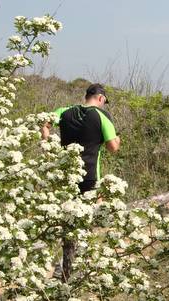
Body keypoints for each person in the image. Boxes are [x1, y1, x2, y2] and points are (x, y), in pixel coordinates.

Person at [41, 83, 120, 281]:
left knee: (68, 219)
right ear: (100, 98)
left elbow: (45, 124)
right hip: (90, 175)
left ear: (86, 96)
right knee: (88, 219)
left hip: (66, 175)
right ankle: (77, 264)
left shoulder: (64, 111)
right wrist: (115, 138)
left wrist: (47, 145)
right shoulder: (103, 116)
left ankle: (63, 265)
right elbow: (113, 147)